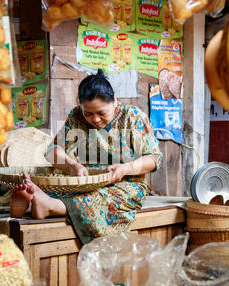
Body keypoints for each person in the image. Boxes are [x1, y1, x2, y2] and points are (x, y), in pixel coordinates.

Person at [10, 69, 163, 244]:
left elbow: (154, 157)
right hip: (84, 181)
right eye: (88, 113)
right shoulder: (75, 116)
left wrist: (126, 168)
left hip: (124, 184)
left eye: (101, 113)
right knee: (54, 185)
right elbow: (52, 152)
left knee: (103, 199)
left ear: (114, 100)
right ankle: (30, 202)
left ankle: (49, 206)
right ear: (80, 106)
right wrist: (71, 166)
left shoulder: (133, 117)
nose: (95, 119)